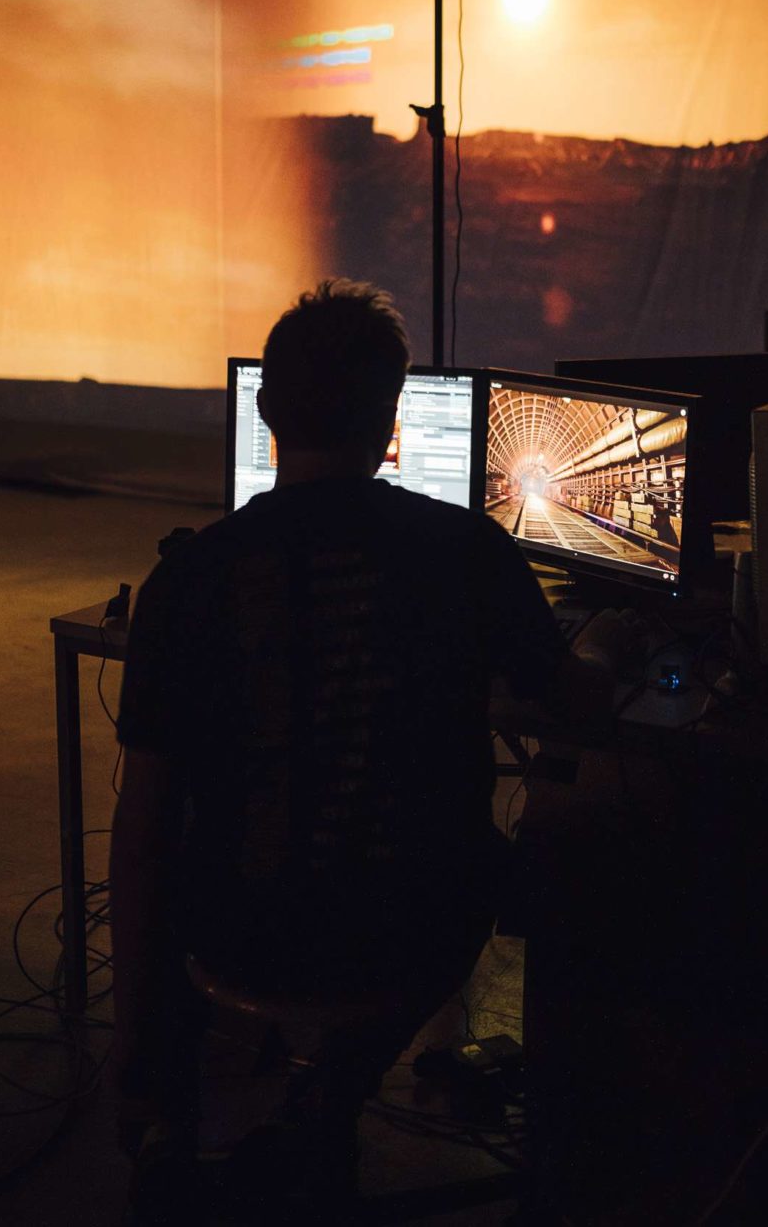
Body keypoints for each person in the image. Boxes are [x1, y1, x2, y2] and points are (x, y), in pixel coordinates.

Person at [110, 279, 642, 1223]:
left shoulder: (187, 581)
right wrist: (607, 638)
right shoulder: (466, 551)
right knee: (577, 844)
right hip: (414, 928)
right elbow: (581, 704)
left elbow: (143, 831)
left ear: (266, 408)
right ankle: (574, 1152)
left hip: (236, 932)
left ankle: (222, 1124)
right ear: (393, 419)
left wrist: (139, 1053)